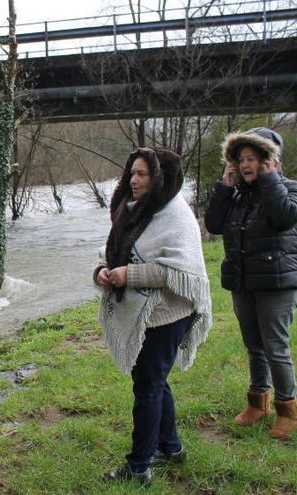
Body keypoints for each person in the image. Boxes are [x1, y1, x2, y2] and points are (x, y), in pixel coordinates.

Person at [94, 147, 212, 485]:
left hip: (170, 313)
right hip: (147, 313)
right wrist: (102, 271)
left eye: (142, 174)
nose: (133, 179)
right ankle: (171, 448)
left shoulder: (175, 214)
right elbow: (111, 251)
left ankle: (139, 468)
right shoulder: (130, 211)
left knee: (148, 386)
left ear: (159, 177)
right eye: (132, 172)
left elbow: (179, 272)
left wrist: (127, 275)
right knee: (153, 381)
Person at [204, 128, 297, 441]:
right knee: (254, 347)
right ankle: (257, 403)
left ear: (269, 160)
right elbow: (213, 224)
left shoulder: (290, 188)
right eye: (241, 159)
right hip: (243, 281)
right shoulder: (236, 195)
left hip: (277, 284)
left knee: (276, 348)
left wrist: (271, 179)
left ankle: (288, 410)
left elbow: (285, 217)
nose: (246, 165)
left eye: (253, 159)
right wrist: (224, 187)